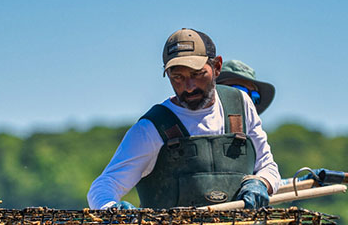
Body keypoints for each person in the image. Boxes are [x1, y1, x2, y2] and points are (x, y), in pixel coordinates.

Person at [87, 29, 281, 210]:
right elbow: (104, 186)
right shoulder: (152, 127)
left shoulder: (241, 105)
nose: (189, 87)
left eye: (198, 74)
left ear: (217, 66)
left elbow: (267, 167)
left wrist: (260, 182)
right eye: (177, 77)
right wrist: (111, 209)